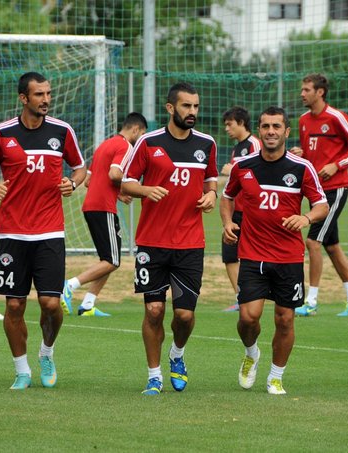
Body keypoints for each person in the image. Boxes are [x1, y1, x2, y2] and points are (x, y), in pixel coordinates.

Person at [0, 72, 86, 390]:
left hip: (50, 232)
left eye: (48, 93)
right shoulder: (1, 133)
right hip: (12, 233)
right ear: (24, 98)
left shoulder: (62, 131)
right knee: (14, 306)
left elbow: (80, 168)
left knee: (50, 304)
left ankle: (46, 353)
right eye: (39, 94)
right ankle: (22, 370)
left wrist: (73, 182)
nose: (46, 99)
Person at [221, 106, 328, 395]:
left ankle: (276, 377)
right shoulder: (243, 166)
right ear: (259, 130)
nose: (271, 131)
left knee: (285, 318)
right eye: (266, 126)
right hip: (253, 254)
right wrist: (227, 222)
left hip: (288, 257)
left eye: (276, 126)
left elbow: (322, 205)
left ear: (286, 131)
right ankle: (251, 353)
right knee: (248, 317)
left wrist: (306, 218)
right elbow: (227, 196)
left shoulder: (301, 168)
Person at [121, 82, 218, 395]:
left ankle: (177, 353)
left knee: (185, 315)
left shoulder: (207, 143)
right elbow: (126, 182)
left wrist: (212, 195)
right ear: (170, 107)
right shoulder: (148, 142)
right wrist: (146, 189)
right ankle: (154, 375)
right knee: (154, 311)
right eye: (186, 106)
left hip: (190, 243)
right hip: (152, 242)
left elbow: (211, 180)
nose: (192, 112)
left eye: (195, 106)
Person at [291, 73, 348, 317]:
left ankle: (311, 302)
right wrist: (301, 154)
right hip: (317, 192)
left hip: (335, 189)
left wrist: (337, 165)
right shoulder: (303, 120)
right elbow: (311, 153)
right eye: (302, 89)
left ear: (320, 92)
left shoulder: (336, 117)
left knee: (313, 242)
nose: (302, 94)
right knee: (331, 246)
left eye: (306, 89)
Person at [61, 112, 147, 317]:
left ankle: (88, 304)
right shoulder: (125, 146)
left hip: (91, 206)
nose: (142, 139)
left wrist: (117, 193)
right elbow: (115, 174)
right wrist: (126, 189)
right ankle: (69, 286)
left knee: (108, 259)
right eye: (142, 134)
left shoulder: (104, 145)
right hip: (103, 207)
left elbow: (89, 181)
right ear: (135, 130)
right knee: (112, 261)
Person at [219, 106, 261, 312]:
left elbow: (261, 172)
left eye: (230, 124)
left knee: (252, 257)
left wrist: (233, 170)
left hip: (252, 213)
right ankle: (240, 298)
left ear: (242, 123)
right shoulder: (237, 148)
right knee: (229, 255)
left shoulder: (254, 144)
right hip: (235, 212)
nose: (227, 129)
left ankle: (255, 296)